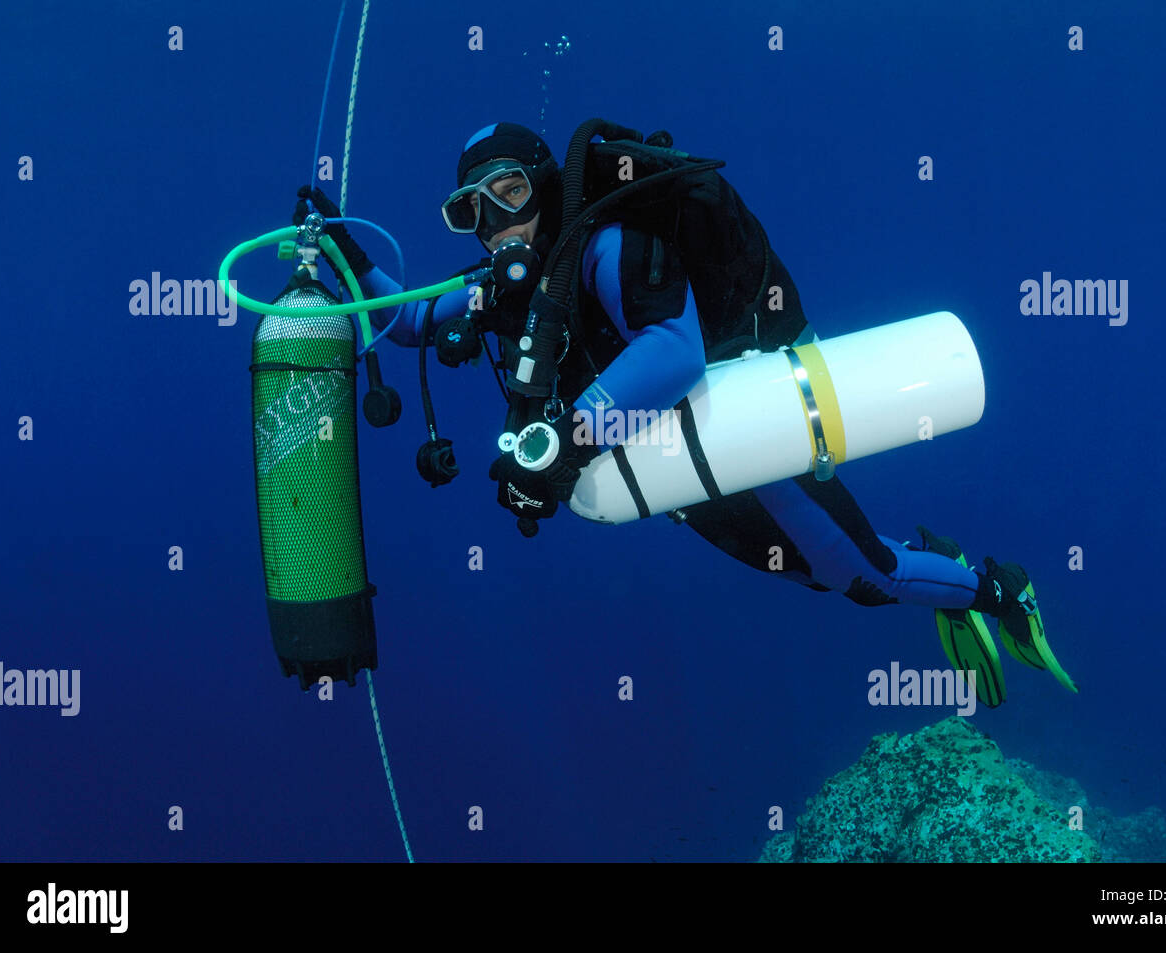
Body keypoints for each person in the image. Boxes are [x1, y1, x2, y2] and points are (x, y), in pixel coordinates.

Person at [293, 122, 1075, 706]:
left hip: (749, 414)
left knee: (861, 574)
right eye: (473, 211)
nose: (496, 223)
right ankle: (935, 561)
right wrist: (346, 256)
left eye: (510, 193)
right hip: (681, 459)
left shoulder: (608, 247)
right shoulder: (506, 286)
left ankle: (997, 589)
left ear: (546, 186)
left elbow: (675, 352)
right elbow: (408, 320)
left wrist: (565, 442)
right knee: (811, 573)